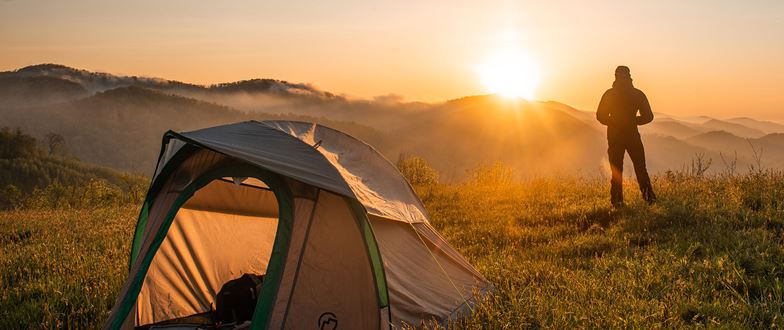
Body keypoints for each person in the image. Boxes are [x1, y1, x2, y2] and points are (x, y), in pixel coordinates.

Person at [596, 66, 656, 207]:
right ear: (629, 76)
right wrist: (633, 120)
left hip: (614, 136)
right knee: (640, 168)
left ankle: (617, 202)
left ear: (615, 76)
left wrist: (613, 122)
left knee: (616, 170)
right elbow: (649, 117)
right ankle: (649, 199)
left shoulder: (609, 94)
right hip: (632, 136)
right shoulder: (637, 94)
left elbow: (600, 116)